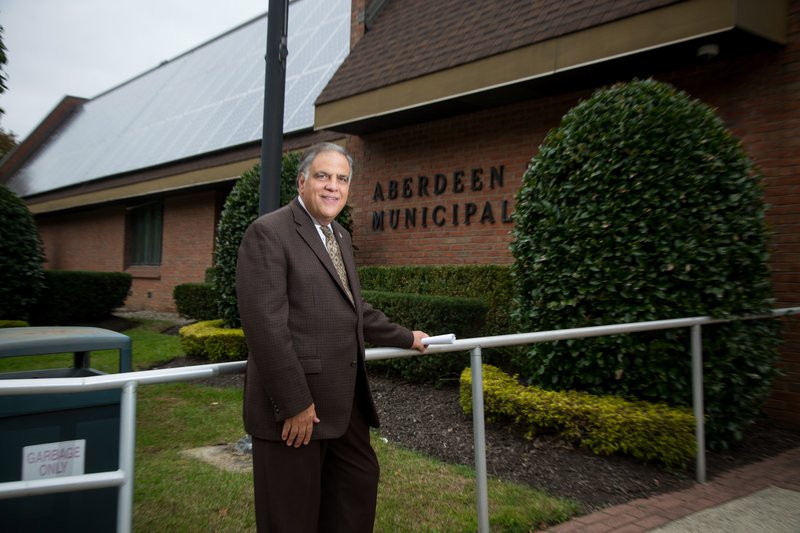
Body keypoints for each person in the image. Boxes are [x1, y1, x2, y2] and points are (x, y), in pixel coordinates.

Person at [236, 142, 428, 532]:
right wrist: (294, 403)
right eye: (323, 176)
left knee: (355, 494)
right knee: (292, 518)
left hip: (343, 406)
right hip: (295, 413)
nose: (332, 186)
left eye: (342, 179)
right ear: (302, 181)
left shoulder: (337, 235)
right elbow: (266, 327)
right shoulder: (268, 233)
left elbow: (354, 309)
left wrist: (405, 337)